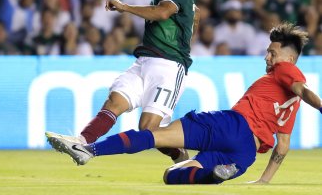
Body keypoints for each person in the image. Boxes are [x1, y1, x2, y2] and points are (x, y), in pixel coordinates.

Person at [46, 22, 322, 184]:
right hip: (246, 153)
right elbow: (282, 146)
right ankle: (215, 174)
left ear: (288, 58)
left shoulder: (286, 70)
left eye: (272, 53)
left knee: (154, 136)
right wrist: (264, 181)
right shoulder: (290, 105)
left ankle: (90, 150)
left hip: (231, 125)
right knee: (171, 175)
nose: (267, 58)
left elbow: (304, 89)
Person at [47, 0, 199, 163]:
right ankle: (81, 142)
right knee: (114, 101)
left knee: (148, 128)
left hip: (169, 68)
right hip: (144, 62)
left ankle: (180, 155)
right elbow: (192, 15)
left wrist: (125, 7)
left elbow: (162, 13)